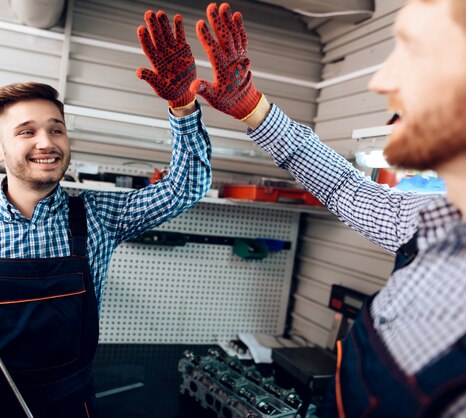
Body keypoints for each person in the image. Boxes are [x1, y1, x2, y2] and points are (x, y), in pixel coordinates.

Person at [0, 9, 212, 417]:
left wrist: (183, 107)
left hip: (71, 404)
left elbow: (186, 187)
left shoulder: (99, 217)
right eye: (27, 131)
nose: (46, 141)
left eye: (56, 128)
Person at [187, 2, 466, 417]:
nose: (381, 80)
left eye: (419, 54)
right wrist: (252, 108)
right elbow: (342, 185)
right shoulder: (428, 225)